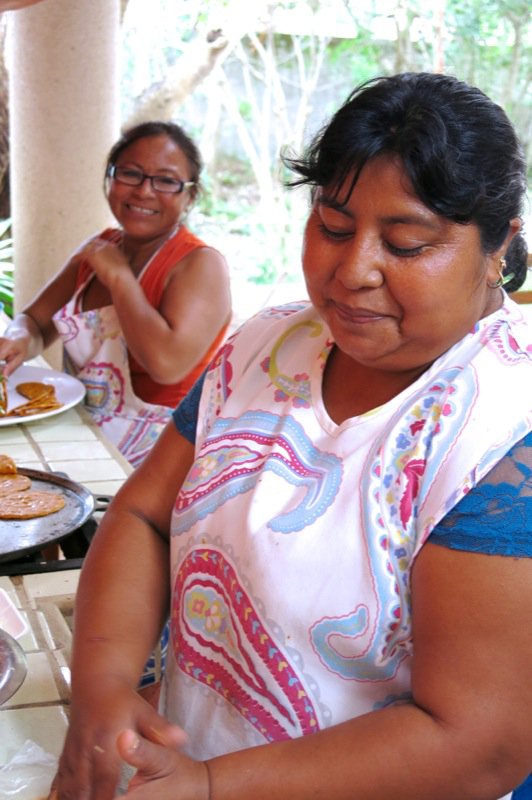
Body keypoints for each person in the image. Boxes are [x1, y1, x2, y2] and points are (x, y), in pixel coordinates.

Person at [53, 72, 532, 800]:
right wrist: (104, 681)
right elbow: (145, 514)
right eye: (333, 227)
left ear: (500, 247)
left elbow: (478, 739)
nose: (353, 271)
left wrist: (213, 786)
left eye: (406, 244)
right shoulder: (270, 345)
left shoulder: (504, 427)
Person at [0, 121, 231, 468]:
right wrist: (19, 338)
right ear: (110, 178)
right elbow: (34, 320)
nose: (144, 191)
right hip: (82, 439)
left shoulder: (201, 264)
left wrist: (120, 277)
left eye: (166, 180)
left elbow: (167, 365)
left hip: (161, 462)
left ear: (190, 195)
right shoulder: (99, 249)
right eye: (130, 174)